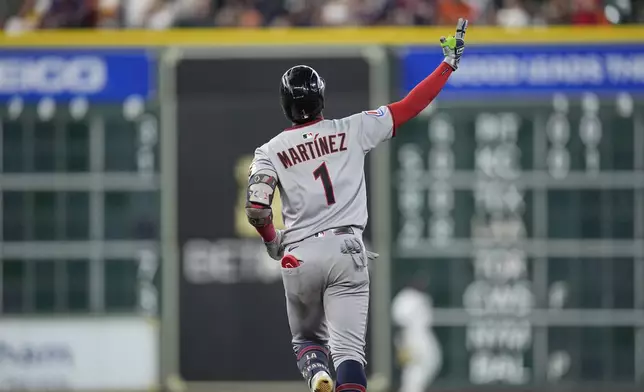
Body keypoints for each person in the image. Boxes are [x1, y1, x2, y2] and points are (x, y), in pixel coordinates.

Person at [244, 19, 468, 392]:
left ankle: (317, 372)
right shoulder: (351, 128)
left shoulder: (269, 151)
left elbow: (256, 207)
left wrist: (271, 239)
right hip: (348, 249)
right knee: (350, 354)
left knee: (308, 341)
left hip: (298, 253)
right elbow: (410, 106)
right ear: (321, 98)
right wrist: (447, 65)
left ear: (285, 104)